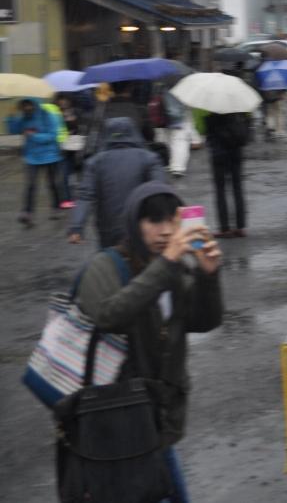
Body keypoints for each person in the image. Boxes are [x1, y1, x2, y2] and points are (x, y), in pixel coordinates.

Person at [75, 181, 223, 501]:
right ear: (134, 223)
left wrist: (208, 276)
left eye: (172, 220)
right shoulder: (105, 266)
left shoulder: (175, 268)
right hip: (118, 422)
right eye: (154, 221)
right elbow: (108, 315)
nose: (166, 231)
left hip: (157, 422)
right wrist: (166, 265)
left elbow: (204, 321)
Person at [67, 117, 167, 247]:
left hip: (109, 229)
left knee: (113, 258)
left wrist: (76, 227)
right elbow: (160, 191)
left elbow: (85, 196)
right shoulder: (149, 158)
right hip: (142, 226)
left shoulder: (95, 162)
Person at [7, 98, 70, 226]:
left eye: (29, 105)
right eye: (24, 105)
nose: (27, 108)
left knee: (52, 184)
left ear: (35, 104)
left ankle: (56, 208)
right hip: (32, 157)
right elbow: (14, 130)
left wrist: (34, 136)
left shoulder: (48, 116)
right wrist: (11, 117)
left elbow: (52, 135)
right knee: (30, 185)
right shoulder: (24, 117)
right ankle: (27, 213)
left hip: (50, 156)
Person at [195, 108, 250, 238]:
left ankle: (225, 228)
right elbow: (247, 120)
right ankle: (240, 227)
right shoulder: (237, 106)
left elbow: (202, 130)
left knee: (220, 190)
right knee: (237, 187)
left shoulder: (209, 109)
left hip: (218, 152)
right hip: (236, 151)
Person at [162, 88, 194, 178]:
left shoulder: (161, 84)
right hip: (180, 117)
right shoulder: (184, 85)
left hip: (164, 116)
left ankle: (172, 163)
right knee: (181, 141)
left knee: (169, 140)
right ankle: (177, 167)